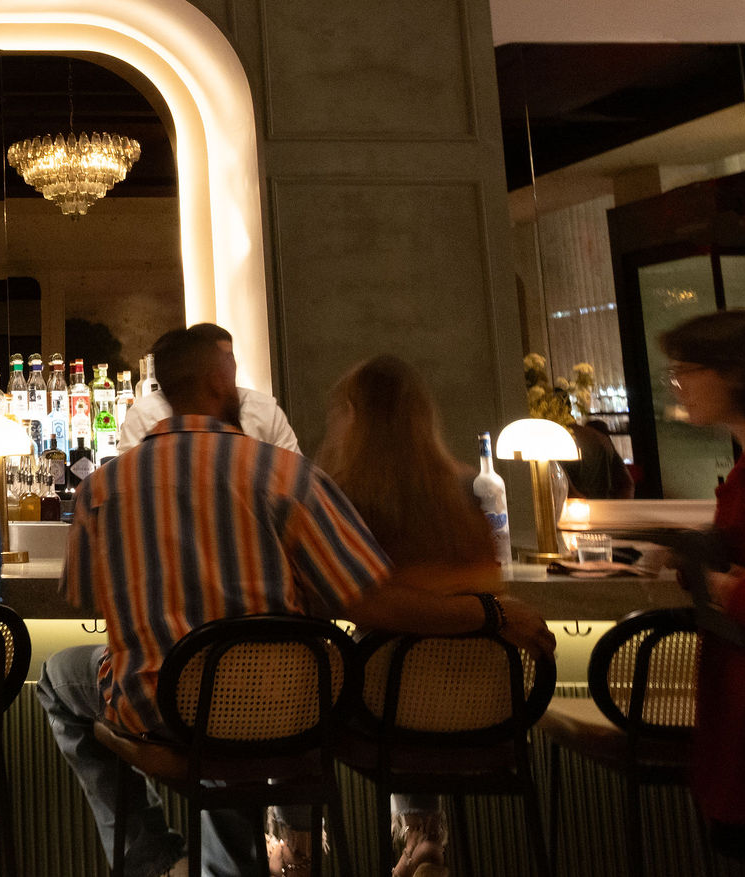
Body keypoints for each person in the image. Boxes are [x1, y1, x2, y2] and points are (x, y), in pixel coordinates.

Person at [38, 327, 555, 877]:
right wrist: (494, 612)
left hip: (162, 708)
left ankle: (161, 861)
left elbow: (88, 598)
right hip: (290, 708)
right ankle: (324, 843)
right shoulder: (289, 475)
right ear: (221, 379)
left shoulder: (99, 488)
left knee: (60, 675)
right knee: (259, 687)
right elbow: (368, 600)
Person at [315, 355, 505, 877]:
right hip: (488, 708)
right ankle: (424, 835)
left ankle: (297, 842)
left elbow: (330, 598)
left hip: (382, 712)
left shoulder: (340, 497)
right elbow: (489, 586)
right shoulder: (468, 491)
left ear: (351, 415)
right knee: (413, 673)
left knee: (300, 678)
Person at [660, 308, 745, 866]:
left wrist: (731, 592)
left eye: (687, 368)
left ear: (737, 373)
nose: (676, 383)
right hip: (737, 712)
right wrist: (698, 560)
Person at [116, 323, 300, 455]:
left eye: (230, 357)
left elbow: (295, 466)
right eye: (218, 360)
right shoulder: (144, 412)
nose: (226, 368)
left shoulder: (264, 408)